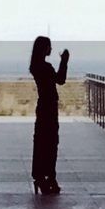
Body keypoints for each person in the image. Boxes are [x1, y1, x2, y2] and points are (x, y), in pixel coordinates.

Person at [30, 35, 69, 195]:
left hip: (42, 107)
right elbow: (60, 80)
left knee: (40, 142)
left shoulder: (35, 66)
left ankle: (40, 177)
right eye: (49, 46)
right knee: (51, 143)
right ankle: (49, 177)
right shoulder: (46, 67)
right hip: (50, 108)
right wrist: (64, 61)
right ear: (44, 48)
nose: (51, 49)